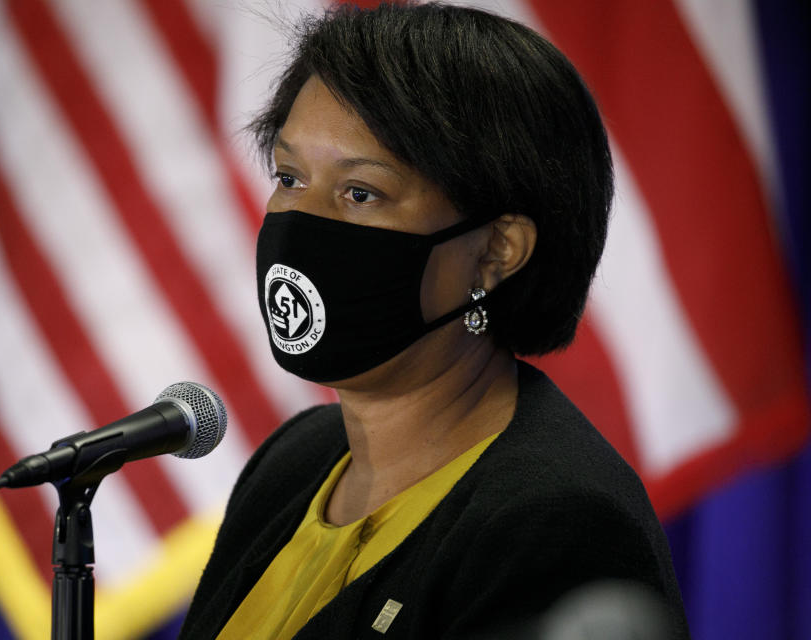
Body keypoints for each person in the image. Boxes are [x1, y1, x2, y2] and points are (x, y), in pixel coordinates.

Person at [180, 3, 689, 639]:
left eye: (360, 193)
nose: (299, 223)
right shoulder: (296, 460)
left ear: (497, 250)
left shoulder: (554, 524)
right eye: (289, 177)